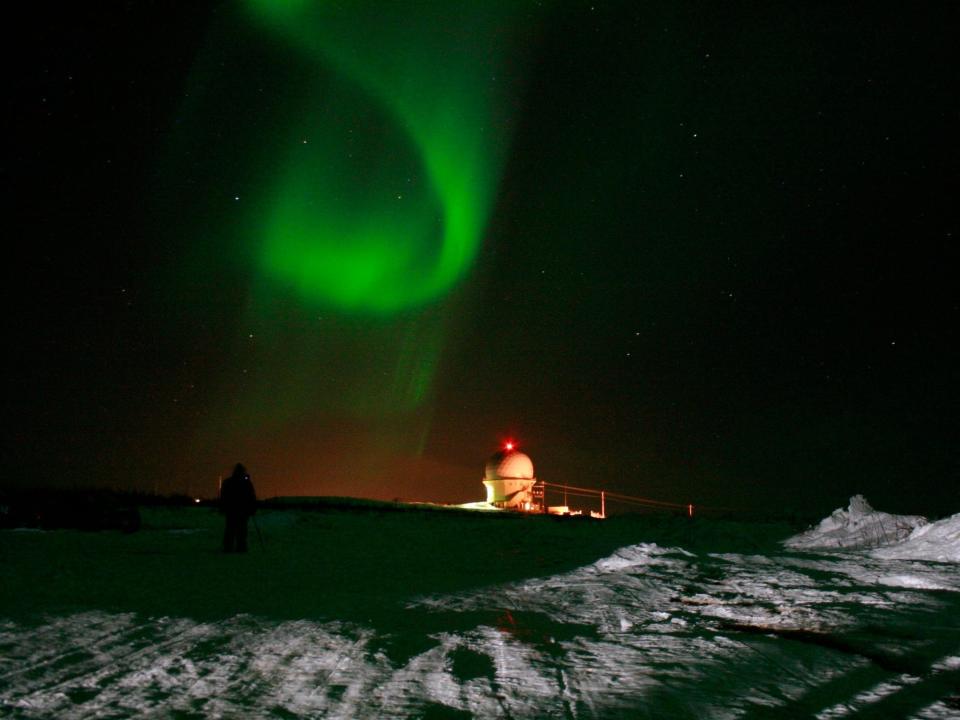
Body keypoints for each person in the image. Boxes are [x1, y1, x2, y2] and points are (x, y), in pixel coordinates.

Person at [220, 463, 257, 552]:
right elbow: (251, 497)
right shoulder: (246, 483)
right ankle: (240, 547)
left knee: (232, 529)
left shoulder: (228, 482)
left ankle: (230, 547)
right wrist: (252, 508)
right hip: (240, 510)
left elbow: (223, 496)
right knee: (240, 530)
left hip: (233, 510)